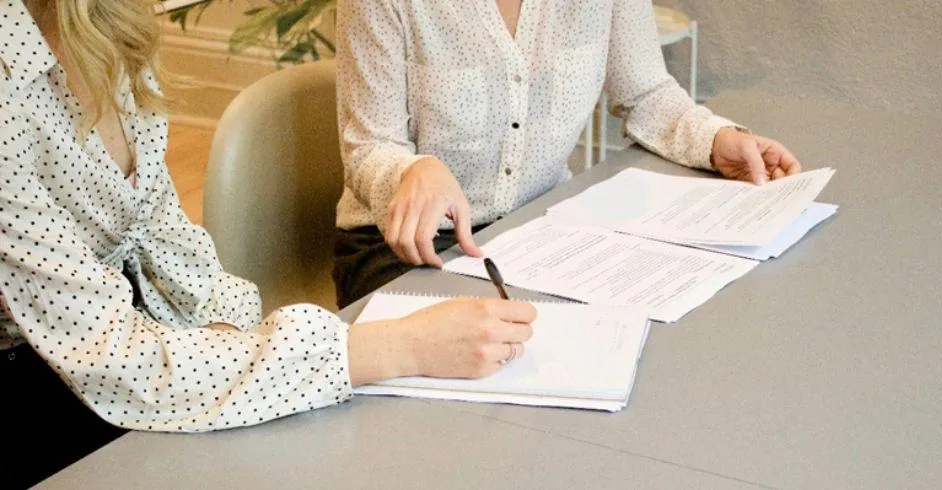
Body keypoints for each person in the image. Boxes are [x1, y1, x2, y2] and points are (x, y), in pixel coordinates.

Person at [0, 1, 535, 487]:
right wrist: (401, 347)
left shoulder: (108, 26)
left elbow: (164, 238)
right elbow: (113, 357)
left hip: (130, 340)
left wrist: (230, 335)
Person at [333, 0, 804, 307]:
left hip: (538, 233)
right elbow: (369, 147)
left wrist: (717, 140)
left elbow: (645, 92)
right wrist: (411, 171)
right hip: (405, 248)